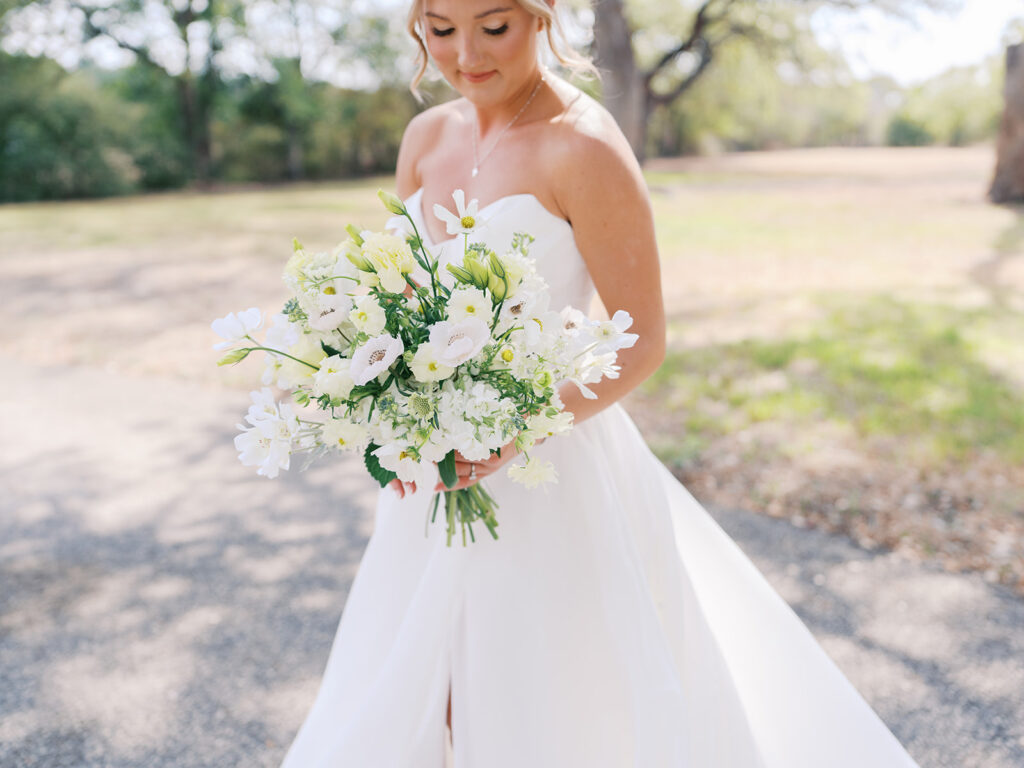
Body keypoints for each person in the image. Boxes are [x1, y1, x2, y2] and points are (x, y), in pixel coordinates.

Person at [279, 2, 924, 766]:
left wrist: (518, 428)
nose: (464, 54)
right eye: (440, 28)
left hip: (550, 470)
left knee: (540, 702)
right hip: (430, 472)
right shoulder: (424, 137)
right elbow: (404, 293)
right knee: (419, 687)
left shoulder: (583, 146)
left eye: (493, 27)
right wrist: (385, 400)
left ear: (541, 15)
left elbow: (643, 339)